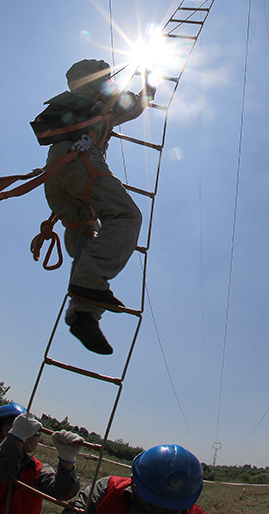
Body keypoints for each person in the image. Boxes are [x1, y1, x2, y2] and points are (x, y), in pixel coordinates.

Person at [35, 59, 155, 356]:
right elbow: (135, 106)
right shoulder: (104, 96)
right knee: (127, 216)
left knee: (85, 235)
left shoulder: (78, 100)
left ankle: (83, 314)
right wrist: (149, 85)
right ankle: (88, 286)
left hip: (56, 173)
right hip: (82, 161)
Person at [65, 444, 206, 514]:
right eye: (150, 503)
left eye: (167, 508)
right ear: (134, 482)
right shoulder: (107, 489)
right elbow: (75, 509)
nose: (157, 509)